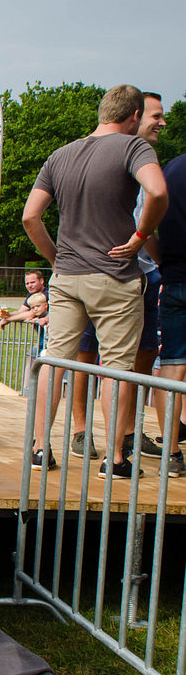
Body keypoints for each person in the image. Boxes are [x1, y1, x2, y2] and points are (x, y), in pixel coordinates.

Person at [22, 84, 168, 479]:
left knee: (54, 359)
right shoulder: (134, 147)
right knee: (117, 367)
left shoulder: (60, 155)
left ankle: (39, 449)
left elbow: (30, 216)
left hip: (66, 277)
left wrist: (56, 258)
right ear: (134, 116)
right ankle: (114, 459)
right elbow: (157, 191)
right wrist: (141, 236)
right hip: (115, 276)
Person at [70, 92, 169, 464]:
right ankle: (82, 429)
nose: (161, 123)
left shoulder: (149, 159)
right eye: (155, 116)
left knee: (141, 355)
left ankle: (128, 432)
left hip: (143, 274)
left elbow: (152, 218)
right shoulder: (106, 155)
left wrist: (159, 263)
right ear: (135, 117)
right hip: (103, 271)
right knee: (86, 353)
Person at [155, 153, 186, 475]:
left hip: (174, 277)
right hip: (175, 275)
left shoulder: (170, 169)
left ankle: (171, 453)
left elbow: (147, 222)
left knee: (172, 365)